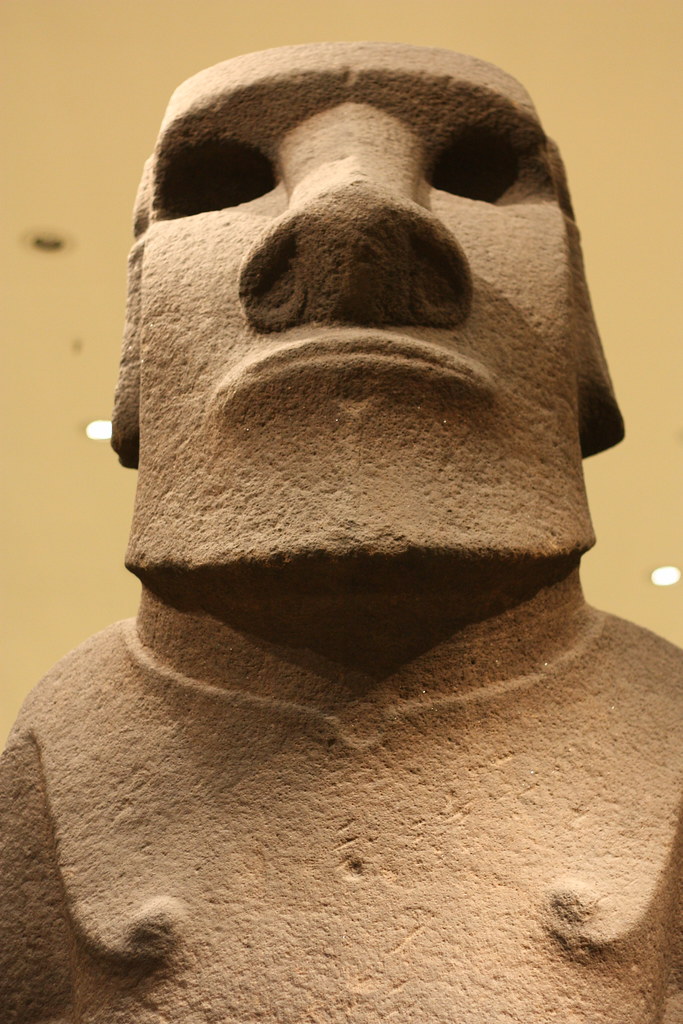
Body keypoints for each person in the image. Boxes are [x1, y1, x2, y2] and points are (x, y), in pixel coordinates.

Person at [2, 42, 681, 1023]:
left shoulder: (660, 726)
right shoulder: (64, 739)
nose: (353, 217)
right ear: (136, 340)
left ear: (576, 329)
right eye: (225, 181)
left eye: (472, 176)